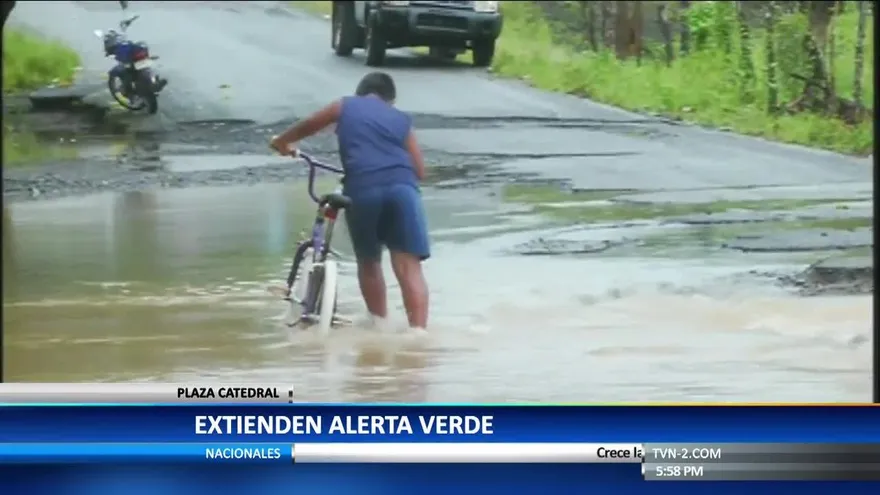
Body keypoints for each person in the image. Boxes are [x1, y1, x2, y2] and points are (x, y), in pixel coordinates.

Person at [269, 72, 430, 331]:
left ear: (361, 93)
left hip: (363, 188)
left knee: (369, 262)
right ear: (390, 100)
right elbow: (420, 171)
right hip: (403, 190)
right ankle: (419, 335)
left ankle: (379, 325)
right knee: (409, 267)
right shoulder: (402, 120)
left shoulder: (345, 105)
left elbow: (310, 124)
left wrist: (282, 142)